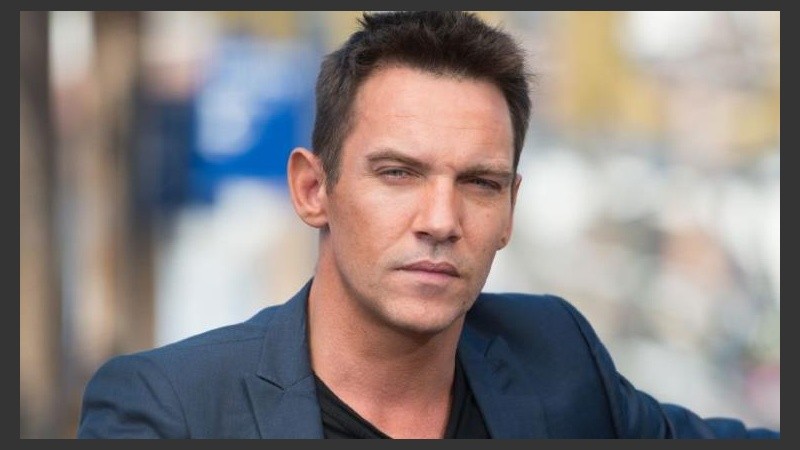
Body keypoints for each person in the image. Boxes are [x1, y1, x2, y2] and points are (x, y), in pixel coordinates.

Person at [77, 11, 779, 439]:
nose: (441, 221)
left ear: (510, 211)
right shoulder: (170, 409)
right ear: (313, 190)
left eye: (479, 183)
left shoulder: (554, 356)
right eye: (398, 173)